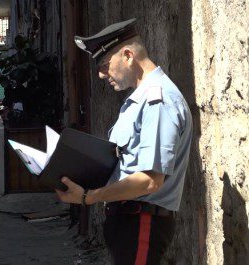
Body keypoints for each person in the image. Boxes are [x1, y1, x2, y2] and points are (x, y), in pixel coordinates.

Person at [56, 18, 192, 265]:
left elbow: (150, 180)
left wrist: (90, 197)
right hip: (129, 222)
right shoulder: (139, 100)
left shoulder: (157, 102)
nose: (100, 74)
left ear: (128, 55)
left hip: (141, 222)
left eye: (105, 65)